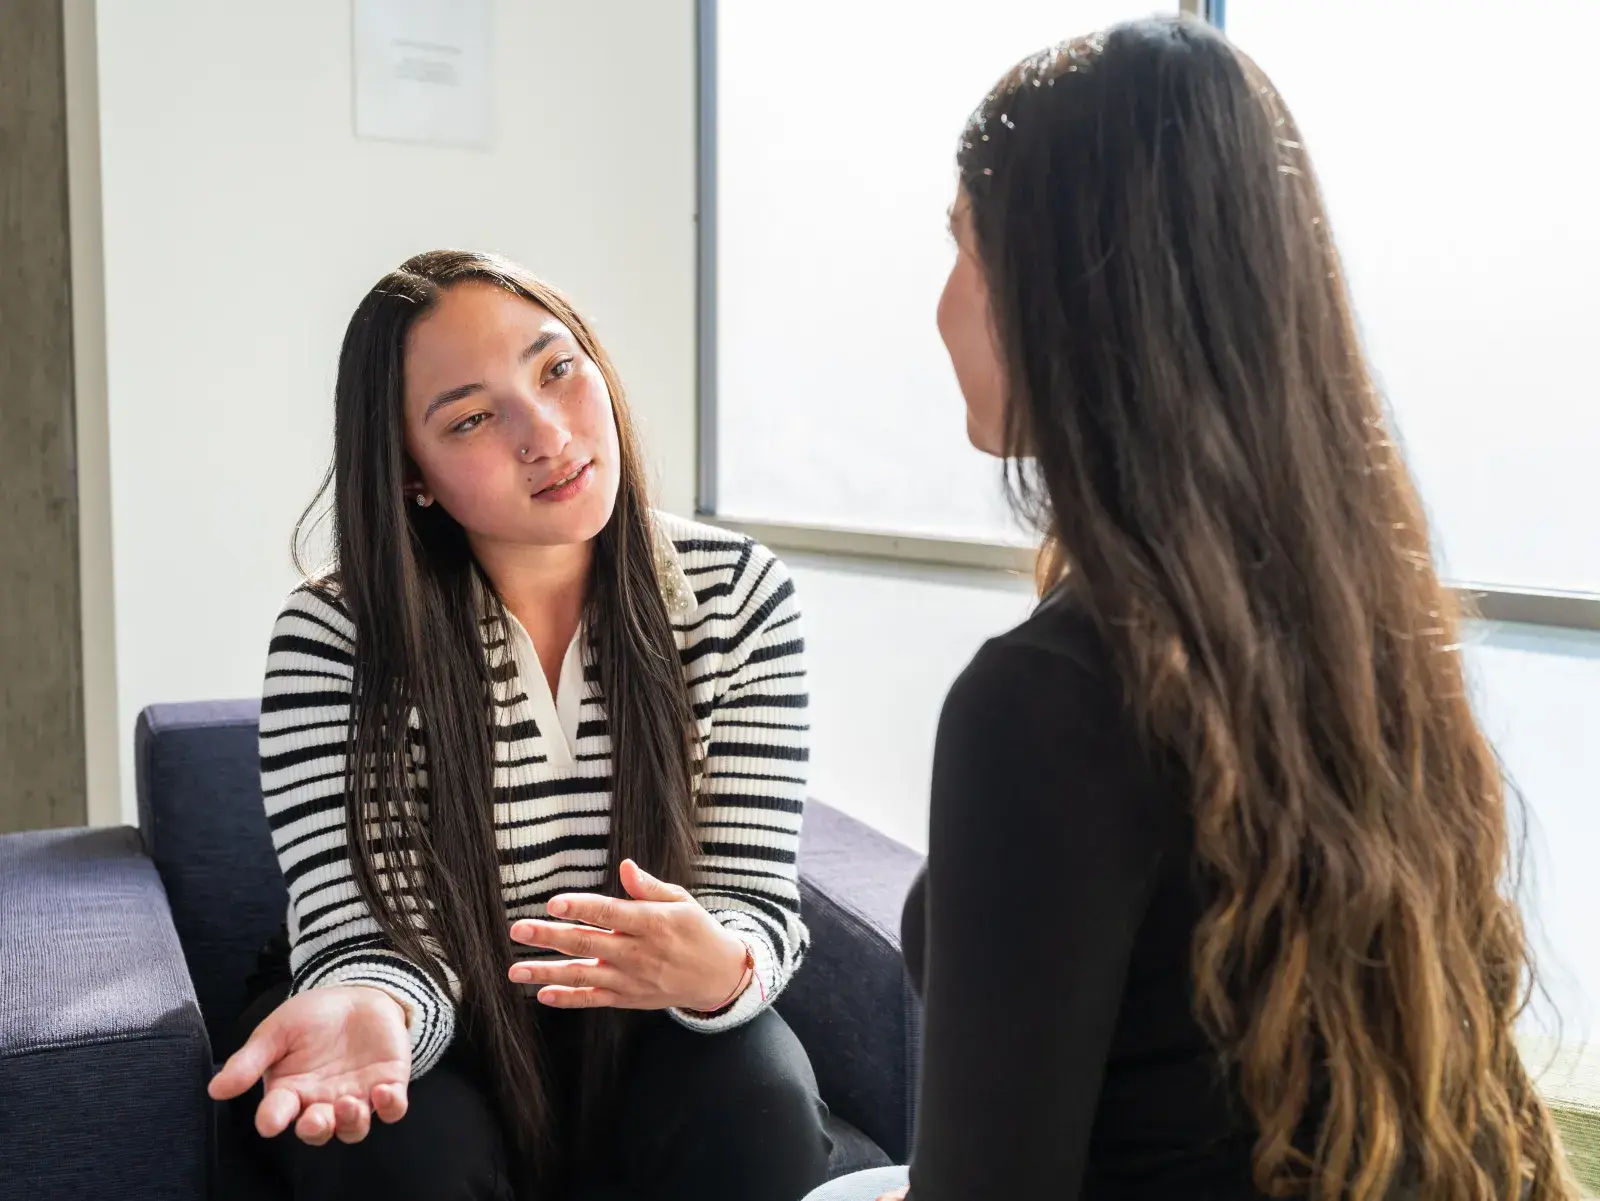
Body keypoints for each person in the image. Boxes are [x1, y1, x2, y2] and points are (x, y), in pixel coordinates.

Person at [811, 15, 1574, 1201]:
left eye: (967, 249)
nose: (943, 306)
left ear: (1060, 294)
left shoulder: (1045, 700)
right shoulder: (1363, 623)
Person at [208, 250, 831, 1201]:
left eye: (556, 369)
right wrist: (372, 1004)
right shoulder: (336, 636)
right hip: (427, 1019)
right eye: (470, 418)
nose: (546, 435)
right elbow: (364, 932)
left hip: (646, 1023)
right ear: (413, 477)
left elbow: (750, 898)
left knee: (760, 1108)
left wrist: (720, 966)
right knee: (395, 1157)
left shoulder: (737, 594)